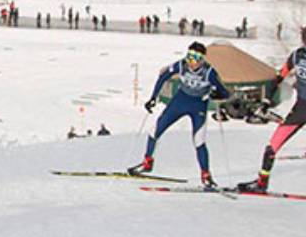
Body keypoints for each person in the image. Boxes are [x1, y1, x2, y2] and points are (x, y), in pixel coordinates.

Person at [128, 41, 230, 188]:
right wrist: (153, 98)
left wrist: (217, 94)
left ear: (202, 59)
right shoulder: (182, 65)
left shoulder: (209, 72)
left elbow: (224, 92)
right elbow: (163, 77)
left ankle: (206, 175)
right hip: (180, 101)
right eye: (189, 56)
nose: (191, 61)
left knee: (199, 141)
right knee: (154, 131)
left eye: (195, 58)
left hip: (198, 106)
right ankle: (147, 162)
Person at [237, 27, 306, 193]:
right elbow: (277, 78)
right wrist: (267, 100)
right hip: (301, 109)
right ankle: (261, 183)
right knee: (272, 147)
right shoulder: (297, 56)